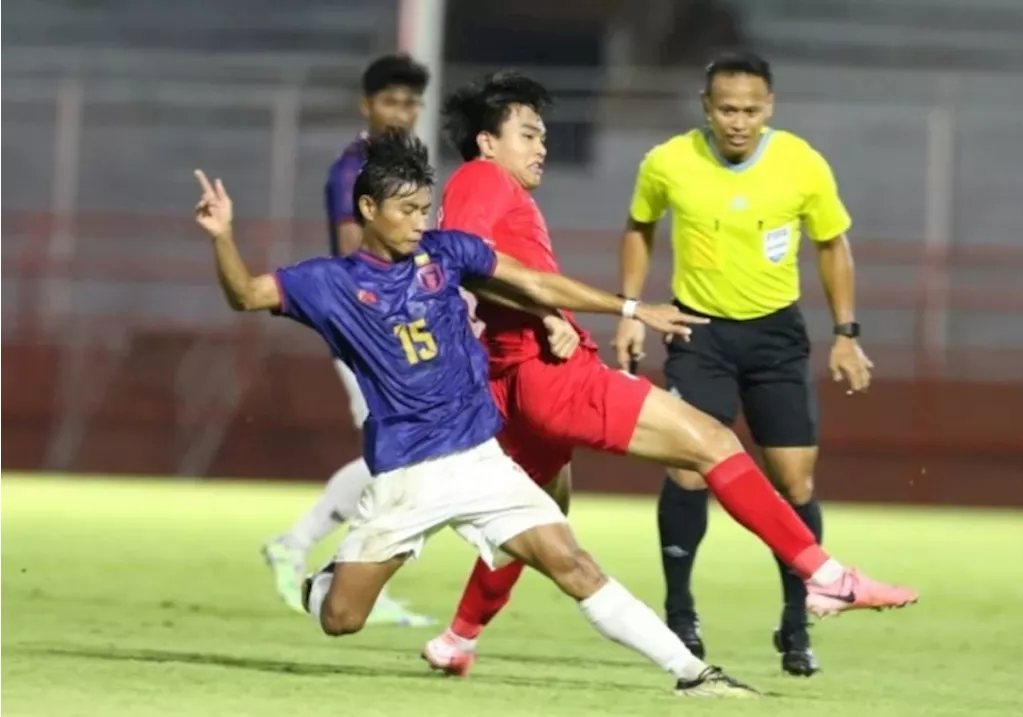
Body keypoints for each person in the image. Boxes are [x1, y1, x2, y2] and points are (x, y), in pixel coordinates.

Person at [192, 129, 757, 697]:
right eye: (407, 210)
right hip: (408, 476)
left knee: (573, 564)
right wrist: (222, 237)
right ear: (368, 208)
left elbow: (534, 281)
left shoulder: (445, 251)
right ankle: (326, 583)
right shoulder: (328, 283)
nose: (419, 222)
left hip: (483, 460)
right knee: (341, 619)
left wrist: (630, 307)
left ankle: (693, 674)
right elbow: (246, 294)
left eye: (425, 209)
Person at [420, 70, 918, 679]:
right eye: (528, 134)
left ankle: (457, 639)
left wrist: (541, 310)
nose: (541, 146)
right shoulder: (481, 178)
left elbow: (483, 269)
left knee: (535, 516)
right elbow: (462, 262)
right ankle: (825, 577)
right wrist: (575, 311)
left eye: (543, 135)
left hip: (520, 377)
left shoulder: (498, 188)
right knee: (711, 442)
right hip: (550, 374)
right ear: (486, 142)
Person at [611, 50, 883, 676]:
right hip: (696, 332)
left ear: (770, 108)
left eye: (751, 110)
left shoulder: (801, 162)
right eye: (727, 109)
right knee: (688, 472)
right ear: (707, 108)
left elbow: (831, 244)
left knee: (796, 484)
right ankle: (680, 614)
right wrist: (630, 309)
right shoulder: (668, 161)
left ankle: (796, 622)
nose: (739, 121)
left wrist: (846, 332)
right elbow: (639, 225)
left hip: (776, 338)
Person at [259, 53, 434, 626]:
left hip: (393, 326)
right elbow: (349, 255)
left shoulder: (401, 168)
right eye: (391, 100)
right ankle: (328, 558)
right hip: (366, 328)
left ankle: (314, 550)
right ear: (367, 105)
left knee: (396, 455)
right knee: (395, 455)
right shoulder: (353, 171)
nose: (402, 112)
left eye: (410, 101)